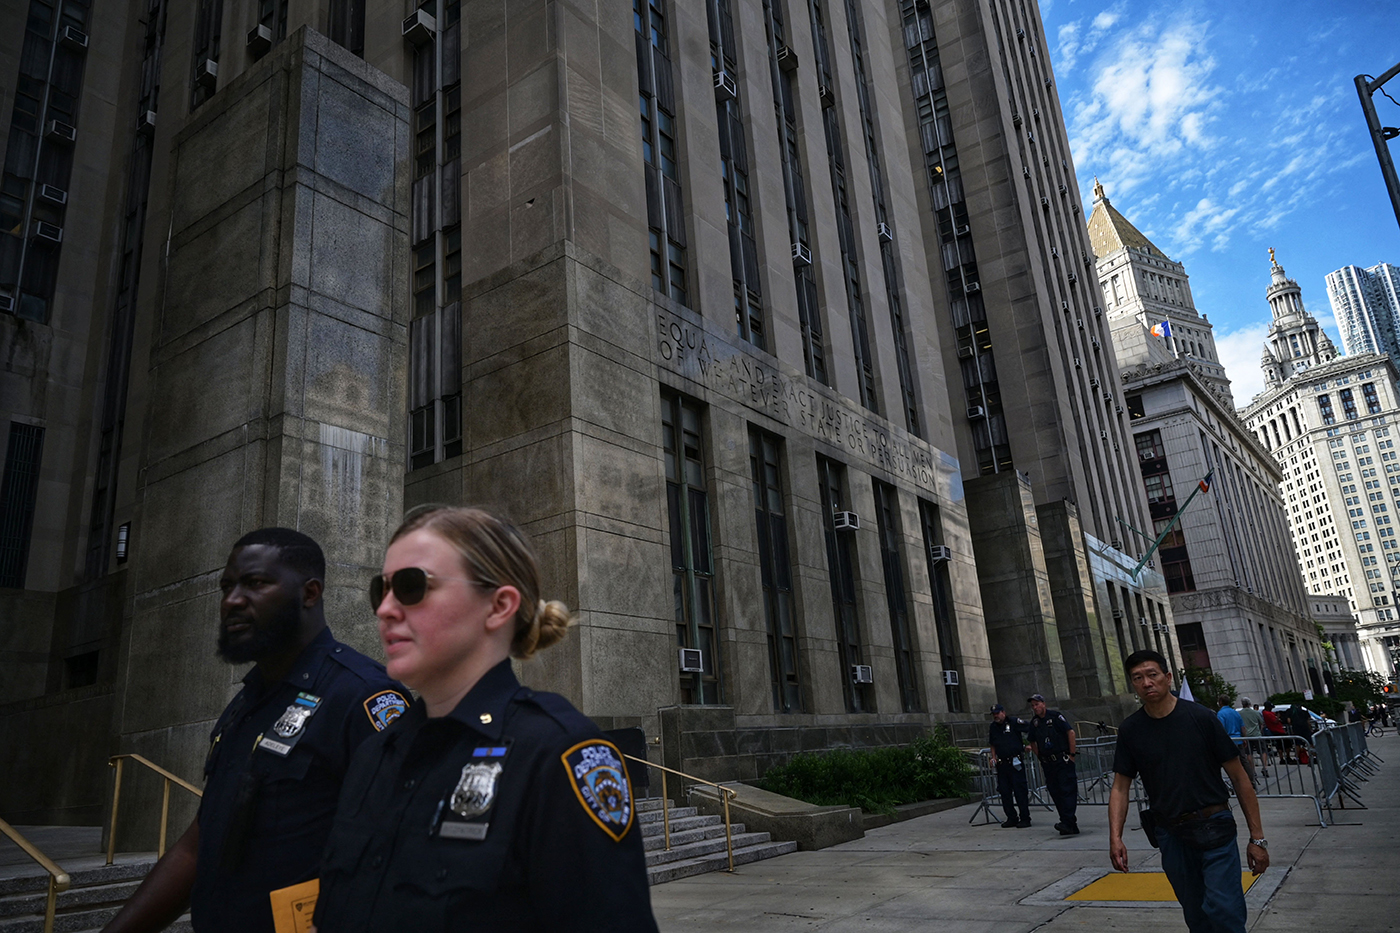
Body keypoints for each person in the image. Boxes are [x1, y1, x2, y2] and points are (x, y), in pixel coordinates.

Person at [312, 506, 659, 932]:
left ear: (498, 606)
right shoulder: (374, 753)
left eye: (410, 586)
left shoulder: (559, 755)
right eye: (379, 590)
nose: (384, 609)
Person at [103, 529, 409, 933]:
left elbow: (409, 850)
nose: (231, 601)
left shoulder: (364, 696)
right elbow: (199, 845)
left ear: (310, 593)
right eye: (227, 586)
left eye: (256, 583)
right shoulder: (245, 705)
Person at [1109, 650, 1268, 933]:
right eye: (1138, 678)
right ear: (1132, 685)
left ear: (1168, 677)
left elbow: (1239, 777)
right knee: (1196, 916)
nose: (1147, 682)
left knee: (1225, 910)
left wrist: (1258, 838)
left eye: (1152, 674)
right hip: (1171, 834)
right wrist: (1116, 837)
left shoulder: (1201, 718)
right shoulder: (1131, 730)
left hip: (1215, 826)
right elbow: (1121, 787)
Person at [1027, 693, 1078, 835]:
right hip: (1048, 763)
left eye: (1037, 704)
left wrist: (1072, 754)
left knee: (1067, 790)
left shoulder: (1055, 717)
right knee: (1056, 792)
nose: (1035, 708)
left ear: (1043, 704)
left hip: (1062, 760)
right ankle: (1069, 824)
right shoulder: (1035, 723)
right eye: (1033, 705)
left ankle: (1067, 822)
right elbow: (1032, 741)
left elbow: (1071, 732)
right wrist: (1039, 756)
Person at [987, 704, 1032, 828]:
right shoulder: (993, 727)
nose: (996, 716)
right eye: (994, 714)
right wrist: (993, 757)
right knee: (1005, 792)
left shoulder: (1013, 722)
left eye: (997, 713)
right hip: (1002, 765)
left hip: (1015, 763)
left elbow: (1031, 728)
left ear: (1003, 712)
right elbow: (992, 744)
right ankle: (1011, 817)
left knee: (1020, 792)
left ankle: (1025, 818)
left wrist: (1031, 745)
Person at [1215, 696, 1255, 788]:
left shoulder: (1221, 714)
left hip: (1229, 741)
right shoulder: (1235, 712)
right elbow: (1243, 727)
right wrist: (1244, 738)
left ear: (1220, 702)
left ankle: (1237, 783)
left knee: (1231, 763)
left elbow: (1221, 729)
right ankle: (1251, 780)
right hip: (1239, 740)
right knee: (1244, 761)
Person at [1238, 697, 1267, 777]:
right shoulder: (1255, 713)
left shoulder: (1240, 713)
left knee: (1249, 753)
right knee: (1262, 751)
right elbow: (1261, 723)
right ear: (1250, 704)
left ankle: (1252, 770)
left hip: (1246, 736)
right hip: (1256, 735)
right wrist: (1260, 731)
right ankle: (1264, 767)